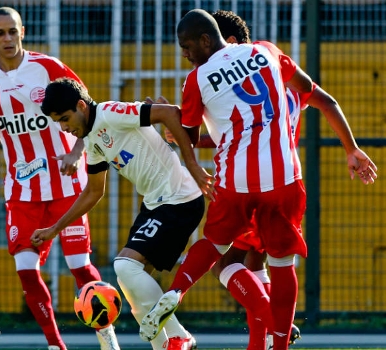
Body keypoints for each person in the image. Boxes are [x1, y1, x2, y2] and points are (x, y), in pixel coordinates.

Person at [140, 9, 378, 350]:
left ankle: (182, 291)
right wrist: (351, 149)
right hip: (283, 177)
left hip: (236, 182)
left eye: (187, 46)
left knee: (222, 255)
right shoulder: (270, 55)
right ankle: (273, 340)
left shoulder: (199, 78)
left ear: (212, 40)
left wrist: (170, 122)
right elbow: (322, 99)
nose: (185, 54)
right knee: (276, 264)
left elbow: (195, 135)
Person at [0, 7, 119, 350]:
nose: (7, 39)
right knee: (25, 268)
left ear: (23, 31)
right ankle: (55, 344)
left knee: (79, 266)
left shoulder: (47, 67)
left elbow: (88, 110)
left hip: (67, 184)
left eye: (13, 31)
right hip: (22, 189)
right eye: (0, 33)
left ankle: (105, 335)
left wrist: (77, 151)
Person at [31, 77, 211, 350]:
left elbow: (169, 112)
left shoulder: (110, 113)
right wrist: (56, 228)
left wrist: (192, 165)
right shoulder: (92, 141)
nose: (64, 127)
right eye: (58, 122)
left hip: (179, 199)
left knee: (124, 266)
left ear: (81, 106)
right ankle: (168, 346)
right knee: (133, 290)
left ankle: (181, 336)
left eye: (65, 118)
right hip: (155, 204)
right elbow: (94, 192)